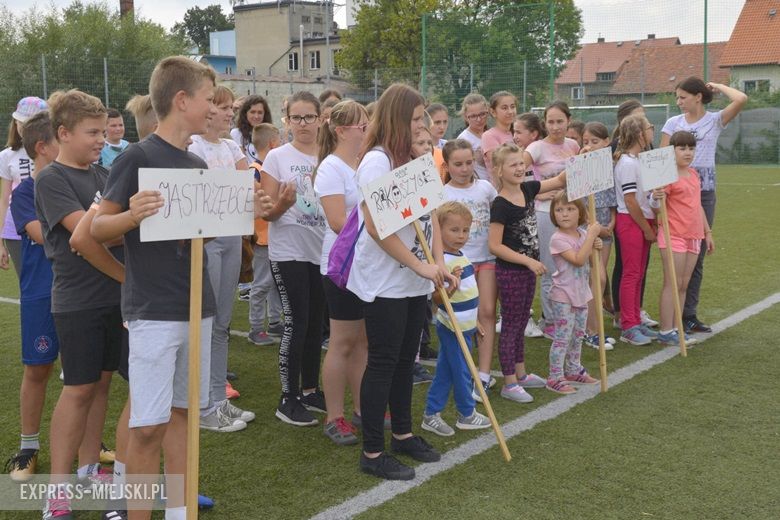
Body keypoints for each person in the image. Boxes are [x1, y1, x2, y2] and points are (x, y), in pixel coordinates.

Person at [90, 56, 221, 520]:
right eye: (209, 100)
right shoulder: (137, 156)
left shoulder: (197, 162)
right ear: (182, 100)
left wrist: (259, 209)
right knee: (148, 427)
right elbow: (93, 231)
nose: (214, 108)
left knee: (183, 419)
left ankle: (180, 513)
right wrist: (131, 216)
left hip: (197, 308)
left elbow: (205, 232)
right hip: (153, 313)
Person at [348, 83, 456, 481]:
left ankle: (404, 435)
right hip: (387, 282)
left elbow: (432, 214)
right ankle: (373, 452)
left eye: (422, 118)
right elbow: (377, 228)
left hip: (415, 281)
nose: (421, 125)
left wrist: (439, 262)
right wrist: (420, 265)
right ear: (397, 119)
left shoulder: (415, 158)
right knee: (383, 362)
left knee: (406, 362)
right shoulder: (377, 162)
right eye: (414, 118)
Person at [35, 90, 123, 520]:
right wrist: (129, 224)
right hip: (79, 302)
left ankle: (90, 467)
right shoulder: (52, 179)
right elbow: (87, 236)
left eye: (104, 131)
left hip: (113, 300)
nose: (100, 139)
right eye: (92, 132)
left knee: (102, 386)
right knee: (78, 389)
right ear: (63, 133)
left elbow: (111, 227)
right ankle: (58, 492)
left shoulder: (105, 175)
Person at [188, 85, 254, 433]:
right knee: (205, 320)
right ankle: (202, 404)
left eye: (232, 108)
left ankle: (217, 399)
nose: (231, 113)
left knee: (223, 322)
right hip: (205, 236)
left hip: (231, 233)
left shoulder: (231, 146)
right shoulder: (193, 145)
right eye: (224, 107)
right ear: (207, 108)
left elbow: (246, 185)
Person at [260, 91, 327, 427]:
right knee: (297, 322)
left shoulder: (328, 157)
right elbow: (267, 211)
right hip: (289, 253)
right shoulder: (277, 157)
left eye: (309, 117)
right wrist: (284, 205)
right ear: (287, 121)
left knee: (317, 324)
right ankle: (288, 398)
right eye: (296, 118)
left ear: (320, 119)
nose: (303, 124)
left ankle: (311, 389)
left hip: (322, 252)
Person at [660, 77, 747, 334]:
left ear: (698, 96)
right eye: (677, 97)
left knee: (695, 257)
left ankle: (688, 315)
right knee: (676, 253)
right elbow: (662, 159)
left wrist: (717, 87)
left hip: (703, 190)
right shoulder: (672, 123)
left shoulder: (715, 120)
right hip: (676, 192)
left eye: (683, 97)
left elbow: (741, 99)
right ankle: (670, 322)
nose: (678, 102)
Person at [488, 142, 567, 404]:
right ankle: (509, 381)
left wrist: (584, 162)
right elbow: (495, 245)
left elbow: (558, 181)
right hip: (511, 272)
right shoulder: (500, 204)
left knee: (521, 322)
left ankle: (521, 374)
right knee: (511, 325)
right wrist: (527, 261)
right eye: (513, 165)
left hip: (527, 270)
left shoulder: (528, 189)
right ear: (499, 170)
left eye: (521, 163)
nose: (520, 168)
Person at [5, 112, 60, 483]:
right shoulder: (25, 191)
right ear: (43, 147)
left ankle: (89, 442)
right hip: (42, 291)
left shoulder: (85, 183)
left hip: (84, 293)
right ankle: (28, 447)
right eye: (64, 136)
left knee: (85, 376)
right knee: (37, 369)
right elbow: (44, 237)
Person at [313, 99, 369, 446]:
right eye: (361, 125)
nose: (366, 130)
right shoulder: (331, 168)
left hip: (365, 264)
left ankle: (364, 409)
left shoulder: (363, 163)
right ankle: (335, 417)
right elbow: (336, 221)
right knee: (342, 342)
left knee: (363, 341)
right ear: (340, 130)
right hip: (341, 265)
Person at [421, 201, 491, 436]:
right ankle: (466, 413)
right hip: (451, 327)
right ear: (438, 231)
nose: (461, 236)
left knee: (447, 371)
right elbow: (438, 301)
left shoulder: (462, 256)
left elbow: (469, 296)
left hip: (465, 326)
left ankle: (431, 413)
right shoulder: (441, 263)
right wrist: (450, 286)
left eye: (465, 230)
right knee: (461, 370)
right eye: (454, 230)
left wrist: (476, 322)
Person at [440, 139, 498, 401]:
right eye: (458, 164)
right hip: (455, 263)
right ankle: (461, 371)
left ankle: (483, 375)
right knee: (458, 320)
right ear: (447, 165)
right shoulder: (442, 193)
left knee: (486, 312)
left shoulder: (486, 187)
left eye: (469, 163)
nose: (464, 169)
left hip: (486, 258)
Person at [523, 101, 580, 339]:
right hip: (545, 214)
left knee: (572, 266)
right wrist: (537, 192)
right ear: (544, 123)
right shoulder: (536, 147)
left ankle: (569, 315)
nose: (555, 127)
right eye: (551, 122)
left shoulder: (574, 145)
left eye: (560, 121)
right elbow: (515, 172)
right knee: (550, 267)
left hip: (572, 214)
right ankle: (549, 320)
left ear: (568, 121)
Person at [651, 131, 713, 345]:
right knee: (672, 283)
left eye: (691, 148)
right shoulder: (666, 176)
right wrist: (655, 197)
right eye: (682, 148)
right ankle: (666, 330)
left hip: (694, 236)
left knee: (684, 284)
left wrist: (707, 232)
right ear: (673, 151)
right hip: (673, 235)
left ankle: (677, 327)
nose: (687, 152)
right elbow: (657, 208)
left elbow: (698, 207)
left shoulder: (694, 174)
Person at [609, 99, 658, 330]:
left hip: (641, 220)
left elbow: (642, 197)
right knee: (631, 273)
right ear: (639, 134)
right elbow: (629, 201)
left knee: (638, 272)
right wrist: (647, 228)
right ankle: (628, 323)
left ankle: (635, 318)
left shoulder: (638, 160)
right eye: (649, 127)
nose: (652, 131)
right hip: (631, 222)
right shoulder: (627, 163)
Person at [545, 192, 601, 394]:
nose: (564, 214)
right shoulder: (557, 239)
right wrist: (592, 236)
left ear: (580, 213)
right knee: (563, 337)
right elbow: (577, 259)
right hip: (563, 296)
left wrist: (596, 245)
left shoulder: (583, 234)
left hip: (581, 293)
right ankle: (555, 376)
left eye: (570, 209)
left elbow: (590, 261)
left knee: (578, 335)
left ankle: (573, 369)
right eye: (559, 210)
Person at [0, 97, 48, 278]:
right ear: (15, 123)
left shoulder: (52, 150)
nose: (25, 128)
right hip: (16, 229)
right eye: (21, 122)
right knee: (28, 283)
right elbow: (4, 200)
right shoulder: (6, 156)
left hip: (48, 221)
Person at [580, 122, 617, 349]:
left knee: (599, 280)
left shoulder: (610, 168)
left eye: (595, 142)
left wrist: (610, 224)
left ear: (606, 143)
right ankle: (590, 330)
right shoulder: (580, 167)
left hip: (606, 231)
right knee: (597, 278)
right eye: (586, 142)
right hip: (589, 230)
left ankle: (595, 329)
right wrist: (595, 227)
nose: (590, 146)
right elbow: (578, 203)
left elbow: (613, 200)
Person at [510, 112, 546, 338]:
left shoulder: (535, 157)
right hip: (519, 218)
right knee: (518, 269)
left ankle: (527, 316)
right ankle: (515, 317)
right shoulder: (519, 159)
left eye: (519, 132)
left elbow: (540, 186)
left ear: (533, 134)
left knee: (531, 270)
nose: (515, 136)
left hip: (532, 213)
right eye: (513, 131)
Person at [247, 123, 283, 346]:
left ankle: (275, 321)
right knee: (261, 284)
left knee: (276, 283)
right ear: (272, 144)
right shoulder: (255, 170)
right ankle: (255, 327)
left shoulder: (265, 170)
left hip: (274, 236)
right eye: (279, 143)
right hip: (262, 238)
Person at [456, 93, 490, 182]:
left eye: (482, 114)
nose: (479, 119)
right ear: (465, 117)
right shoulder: (464, 139)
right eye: (473, 116)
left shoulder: (491, 134)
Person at [230, 94, 273, 163]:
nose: (256, 116)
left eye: (260, 113)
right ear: (245, 113)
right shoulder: (237, 133)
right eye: (252, 112)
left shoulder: (270, 134)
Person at [481, 91, 516, 173]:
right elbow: (499, 163)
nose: (510, 111)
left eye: (513, 107)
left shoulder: (517, 133)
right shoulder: (489, 136)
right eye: (504, 108)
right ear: (493, 112)